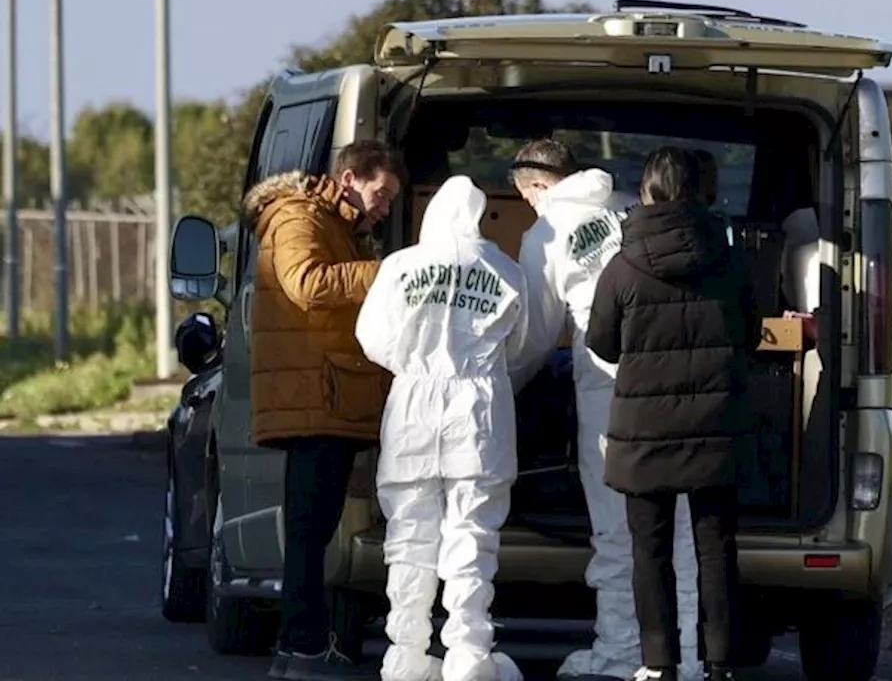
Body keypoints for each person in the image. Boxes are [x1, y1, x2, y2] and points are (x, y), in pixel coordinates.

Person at [505, 139, 704, 680]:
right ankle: (683, 658)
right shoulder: (630, 208)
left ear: (537, 187)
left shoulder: (546, 234)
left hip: (609, 387)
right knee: (679, 530)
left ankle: (619, 651)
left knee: (619, 530)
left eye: (527, 198)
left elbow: (537, 335)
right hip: (674, 379)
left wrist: (503, 381)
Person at [585, 147, 760, 681]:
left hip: (646, 430)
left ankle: (659, 663)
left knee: (650, 550)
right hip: (715, 424)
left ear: (648, 191)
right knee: (716, 548)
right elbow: (751, 334)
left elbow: (603, 342)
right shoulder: (730, 258)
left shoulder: (623, 265)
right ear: (702, 191)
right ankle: (720, 662)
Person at [356, 175, 528, 681]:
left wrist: (414, 363)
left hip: (413, 404)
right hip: (478, 410)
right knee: (472, 534)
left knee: (409, 535)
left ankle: (406, 655)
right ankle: (468, 656)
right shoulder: (504, 269)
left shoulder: (401, 266)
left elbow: (372, 338)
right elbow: (519, 345)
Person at [242, 140, 403, 680]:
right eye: (379, 194)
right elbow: (306, 284)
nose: (383, 207)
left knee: (314, 530)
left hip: (325, 393)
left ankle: (299, 646)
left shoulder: (333, 223)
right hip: (317, 394)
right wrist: (385, 273)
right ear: (350, 178)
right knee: (311, 533)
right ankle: (304, 646)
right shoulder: (297, 217)